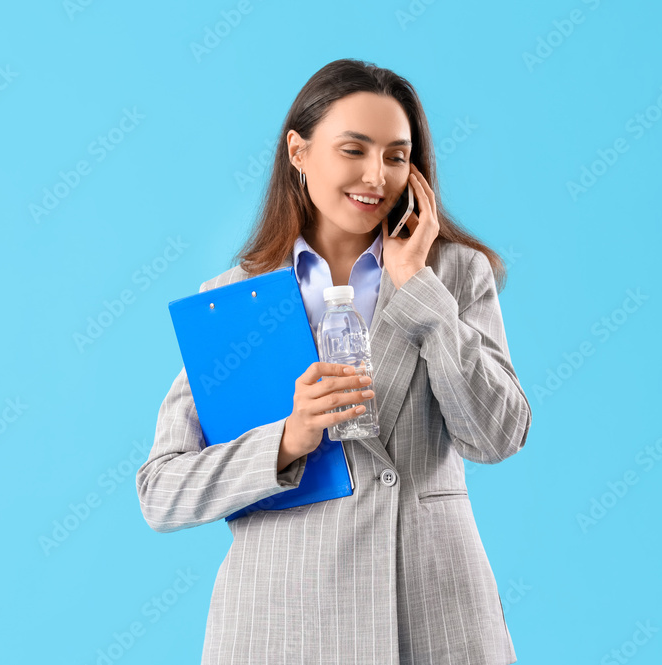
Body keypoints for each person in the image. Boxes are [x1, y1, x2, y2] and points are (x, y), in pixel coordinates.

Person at [136, 58, 532, 665]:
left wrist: (421, 290)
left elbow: (497, 436)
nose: (377, 176)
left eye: (397, 156)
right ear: (298, 151)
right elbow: (162, 492)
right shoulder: (233, 301)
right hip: (283, 625)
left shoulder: (454, 274)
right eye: (354, 149)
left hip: (431, 619)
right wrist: (288, 440)